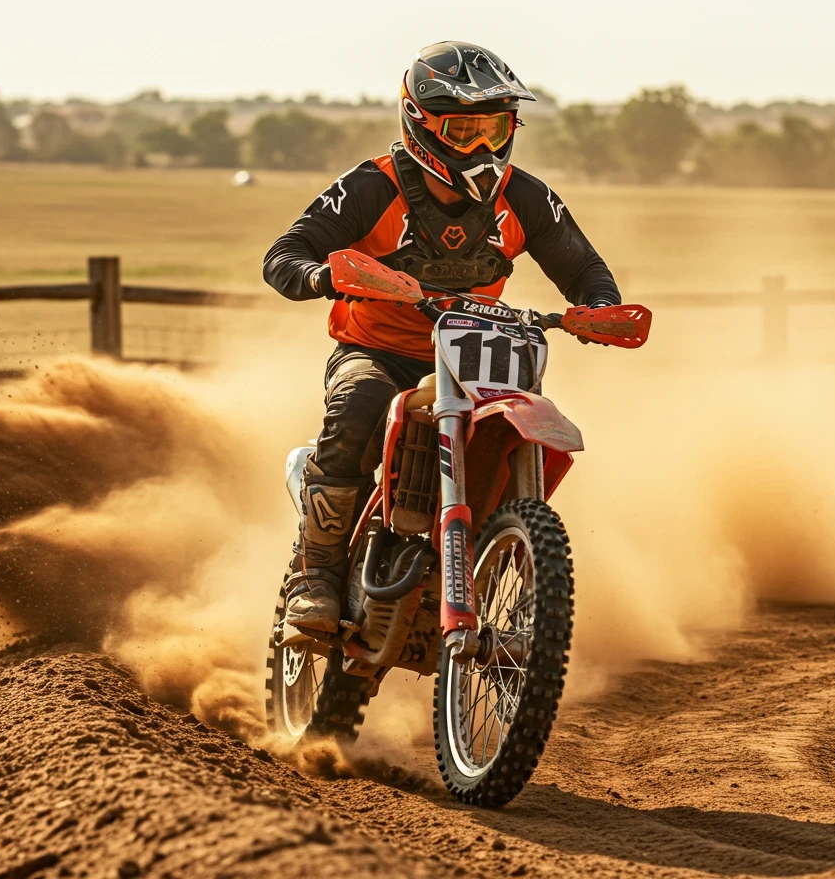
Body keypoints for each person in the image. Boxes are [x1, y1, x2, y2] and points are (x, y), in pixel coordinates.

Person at [263, 41, 621, 633]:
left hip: (476, 357)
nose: (482, 146)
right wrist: (321, 275)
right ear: (420, 125)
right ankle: (316, 574)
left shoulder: (524, 195)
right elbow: (285, 253)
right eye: (463, 131)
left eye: (495, 128)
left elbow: (584, 268)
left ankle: (504, 565)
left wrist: (599, 308)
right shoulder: (372, 186)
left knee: (522, 430)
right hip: (378, 351)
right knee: (357, 405)